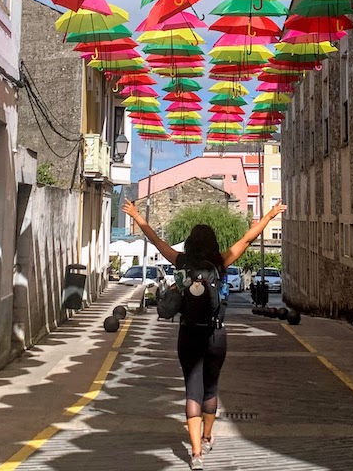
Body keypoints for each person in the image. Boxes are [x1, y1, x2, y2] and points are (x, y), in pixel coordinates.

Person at [122, 198, 287, 469]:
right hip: (215, 335)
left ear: (190, 242)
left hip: (188, 333)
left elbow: (156, 241)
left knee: (192, 389)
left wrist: (138, 216)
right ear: (211, 243)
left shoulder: (181, 261)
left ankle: (196, 454)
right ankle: (208, 436)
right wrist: (270, 214)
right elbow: (246, 240)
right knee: (210, 389)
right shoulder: (219, 262)